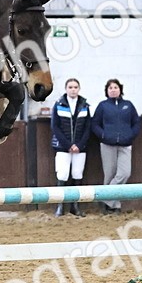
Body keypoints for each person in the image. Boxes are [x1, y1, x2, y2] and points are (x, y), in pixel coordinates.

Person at [91, 78, 141, 214]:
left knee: (124, 173)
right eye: (110, 88)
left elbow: (136, 123)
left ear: (120, 89)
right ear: (107, 91)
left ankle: (104, 198)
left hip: (125, 145)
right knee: (109, 174)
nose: (113, 90)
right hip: (107, 145)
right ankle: (114, 206)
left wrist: (130, 135)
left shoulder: (128, 105)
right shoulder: (102, 106)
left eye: (115, 87)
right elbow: (95, 124)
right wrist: (103, 135)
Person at [50, 78, 92, 217]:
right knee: (62, 175)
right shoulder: (58, 104)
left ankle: (75, 206)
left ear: (79, 89)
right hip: (63, 147)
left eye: (75, 87)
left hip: (80, 147)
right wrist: (68, 145)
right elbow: (55, 127)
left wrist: (79, 145)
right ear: (66, 89)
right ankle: (60, 206)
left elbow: (87, 127)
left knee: (77, 174)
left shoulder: (85, 105)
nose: (73, 89)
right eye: (70, 87)